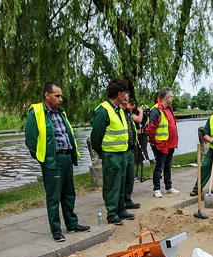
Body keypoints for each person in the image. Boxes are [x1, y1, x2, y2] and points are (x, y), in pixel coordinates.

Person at [24, 82, 90, 242]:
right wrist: (43, 159)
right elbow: (30, 140)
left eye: (61, 95)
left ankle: (72, 224)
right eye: (57, 96)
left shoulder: (61, 113)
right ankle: (56, 230)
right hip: (52, 160)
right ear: (47, 95)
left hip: (66, 157)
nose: (61, 99)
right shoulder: (37, 112)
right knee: (53, 197)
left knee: (69, 194)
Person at [91, 78, 135, 225]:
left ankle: (121, 209)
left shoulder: (120, 111)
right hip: (111, 154)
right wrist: (101, 151)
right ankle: (112, 212)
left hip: (122, 153)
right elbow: (96, 136)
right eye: (124, 92)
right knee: (112, 185)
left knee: (122, 183)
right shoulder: (103, 111)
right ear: (119, 94)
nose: (126, 95)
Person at [146, 87, 180, 198]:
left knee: (168, 166)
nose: (173, 98)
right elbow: (151, 128)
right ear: (167, 97)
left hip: (170, 143)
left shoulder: (169, 109)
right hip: (161, 144)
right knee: (159, 166)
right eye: (172, 96)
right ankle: (156, 189)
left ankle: (168, 187)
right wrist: (153, 142)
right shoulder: (156, 110)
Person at [120, 94, 142, 212]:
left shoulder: (128, 114)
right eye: (124, 100)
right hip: (121, 150)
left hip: (130, 149)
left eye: (127, 101)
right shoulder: (118, 113)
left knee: (130, 178)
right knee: (122, 179)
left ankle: (128, 200)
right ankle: (121, 204)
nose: (126, 103)